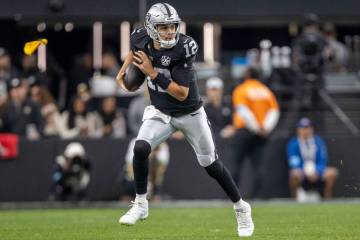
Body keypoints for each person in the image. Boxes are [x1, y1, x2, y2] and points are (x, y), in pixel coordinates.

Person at [116, 3, 254, 237]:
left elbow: (181, 92)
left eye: (173, 26)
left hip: (189, 113)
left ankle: (241, 207)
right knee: (140, 147)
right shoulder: (139, 36)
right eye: (164, 27)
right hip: (160, 112)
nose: (170, 32)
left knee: (211, 166)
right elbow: (135, 50)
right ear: (151, 28)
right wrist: (124, 70)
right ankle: (141, 204)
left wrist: (151, 73)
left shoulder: (185, 47)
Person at [231, 67, 280, 198]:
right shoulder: (266, 91)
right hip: (262, 133)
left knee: (235, 165)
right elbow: (274, 111)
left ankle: (233, 197)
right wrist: (265, 128)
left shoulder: (241, 89)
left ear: (247, 75)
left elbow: (243, 111)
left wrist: (256, 127)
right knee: (259, 166)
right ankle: (257, 197)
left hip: (245, 131)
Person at [287, 117, 338, 200]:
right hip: (302, 171)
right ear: (298, 130)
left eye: (308, 128)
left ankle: (327, 200)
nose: (306, 131)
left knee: (332, 172)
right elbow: (293, 162)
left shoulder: (318, 141)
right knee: (294, 174)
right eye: (303, 128)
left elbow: (323, 159)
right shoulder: (293, 143)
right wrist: (305, 171)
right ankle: (295, 199)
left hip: (317, 171)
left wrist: (317, 171)